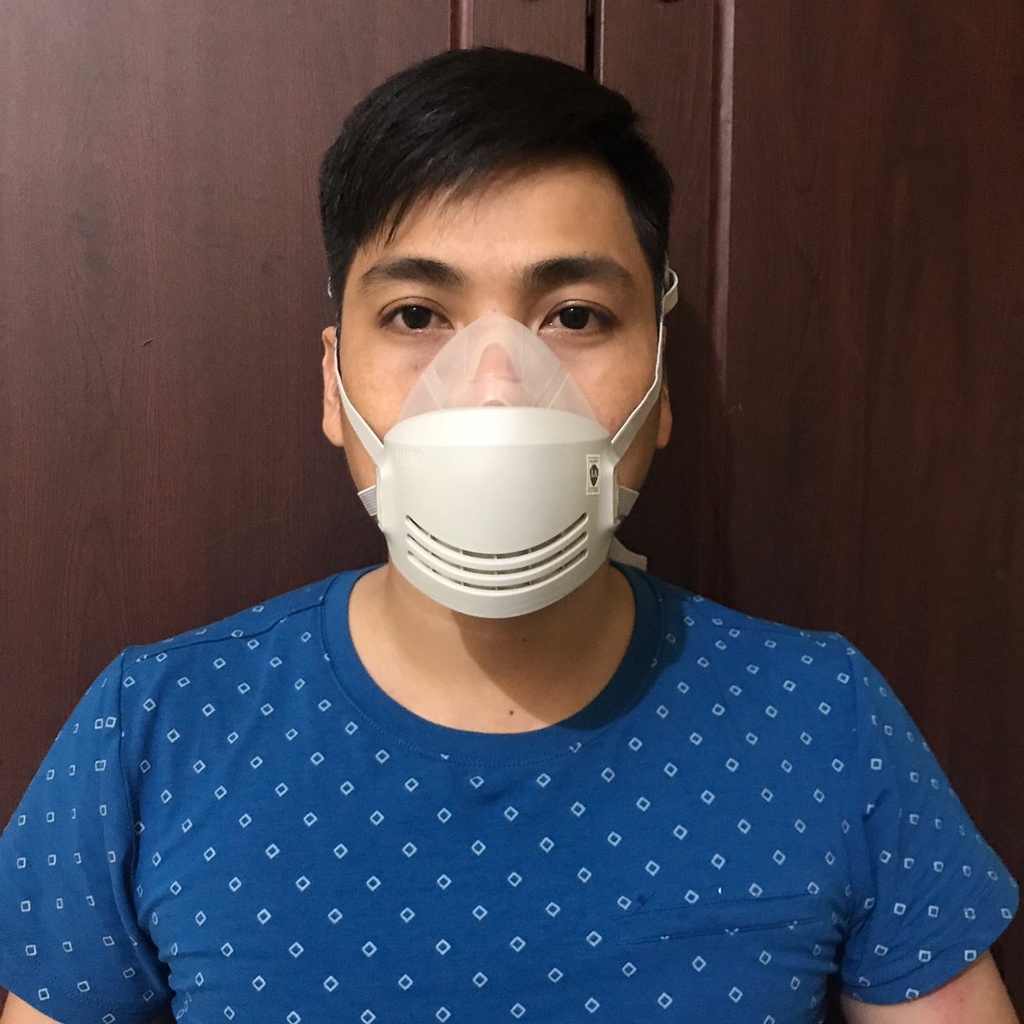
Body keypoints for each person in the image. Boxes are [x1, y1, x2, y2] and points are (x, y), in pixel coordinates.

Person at [0, 47, 1018, 1024]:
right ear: (333, 384)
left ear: (661, 388)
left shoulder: (819, 719)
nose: (494, 389)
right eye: (416, 316)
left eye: (573, 316)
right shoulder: (159, 728)